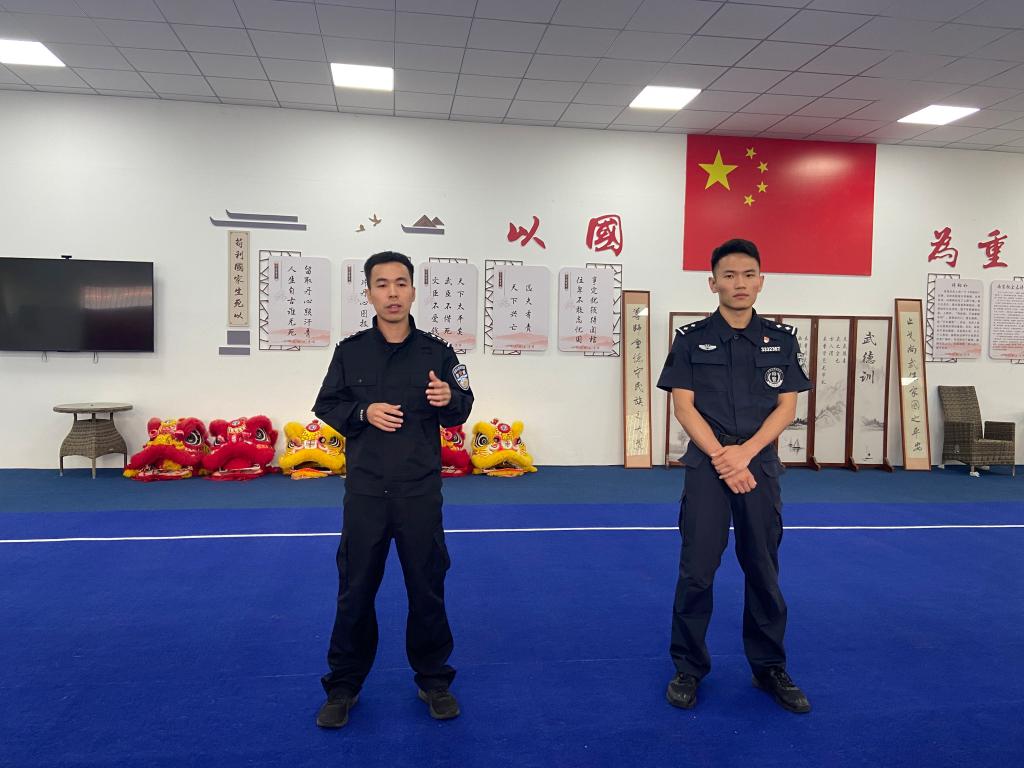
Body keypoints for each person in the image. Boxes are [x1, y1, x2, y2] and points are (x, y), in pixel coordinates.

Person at [312, 251, 474, 728]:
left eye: (401, 283)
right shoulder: (350, 352)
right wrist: (363, 413)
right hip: (366, 492)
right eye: (381, 284)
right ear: (368, 293)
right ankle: (343, 686)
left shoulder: (437, 352)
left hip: (418, 491)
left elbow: (462, 406)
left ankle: (434, 680)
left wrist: (448, 398)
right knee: (355, 590)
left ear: (413, 291)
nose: (392, 293)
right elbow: (327, 404)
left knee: (427, 588)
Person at [657, 238, 812, 714]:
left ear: (761, 281)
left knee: (763, 570)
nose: (739, 283)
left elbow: (786, 408)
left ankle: (769, 667)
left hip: (758, 465)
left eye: (748, 275)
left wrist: (744, 454)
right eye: (729, 275)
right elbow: (684, 407)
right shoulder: (690, 339)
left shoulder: (782, 340)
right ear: (713, 283)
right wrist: (723, 458)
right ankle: (688, 668)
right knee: (697, 571)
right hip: (707, 467)